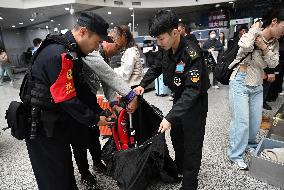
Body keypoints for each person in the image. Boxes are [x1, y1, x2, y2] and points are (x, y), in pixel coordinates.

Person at [23, 11, 137, 190]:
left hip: (56, 123)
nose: (97, 48)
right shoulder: (58, 53)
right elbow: (67, 98)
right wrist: (94, 119)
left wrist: (100, 111)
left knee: (65, 172)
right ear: (83, 32)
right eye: (97, 42)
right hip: (41, 128)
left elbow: (80, 89)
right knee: (55, 180)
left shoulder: (72, 53)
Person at [134, 9, 210, 190]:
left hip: (194, 102)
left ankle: (190, 183)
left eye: (161, 39)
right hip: (178, 98)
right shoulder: (165, 49)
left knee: (192, 142)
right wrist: (143, 84)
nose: (159, 43)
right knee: (177, 137)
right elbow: (156, 67)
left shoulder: (192, 54)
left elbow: (192, 91)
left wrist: (169, 117)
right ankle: (181, 168)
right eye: (157, 40)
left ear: (175, 32)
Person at [227, 8, 284, 170]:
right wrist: (254, 31)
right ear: (274, 22)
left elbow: (273, 63)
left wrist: (264, 47)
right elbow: (243, 45)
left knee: (255, 121)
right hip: (240, 81)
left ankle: (250, 144)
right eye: (283, 27)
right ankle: (235, 154)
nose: (283, 32)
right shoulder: (253, 33)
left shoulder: (275, 43)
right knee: (241, 121)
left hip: (257, 83)